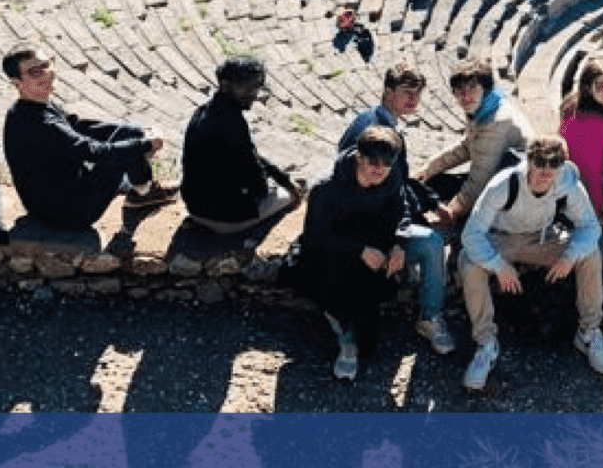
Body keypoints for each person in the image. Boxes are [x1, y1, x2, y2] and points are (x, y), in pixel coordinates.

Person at [457, 136, 603, 392]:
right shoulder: (504, 184)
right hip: (502, 240)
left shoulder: (567, 184)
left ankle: (589, 332)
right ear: (529, 162)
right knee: (470, 263)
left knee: (590, 253)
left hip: (542, 238)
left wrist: (569, 255)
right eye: (540, 168)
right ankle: (486, 343)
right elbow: (471, 234)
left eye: (552, 169)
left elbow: (589, 227)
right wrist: (498, 266)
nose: (545, 176)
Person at [337, 62, 451, 356]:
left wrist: (432, 201)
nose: (413, 100)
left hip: (378, 219)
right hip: (363, 232)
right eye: (406, 92)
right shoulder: (376, 132)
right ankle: (429, 316)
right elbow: (382, 191)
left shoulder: (373, 120)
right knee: (433, 243)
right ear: (388, 92)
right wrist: (398, 238)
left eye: (418, 93)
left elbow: (398, 183)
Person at [0, 47, 175, 229]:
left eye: (47, 64)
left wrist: (136, 133)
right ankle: (143, 195)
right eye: (35, 72)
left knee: (131, 130)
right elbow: (93, 152)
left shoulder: (32, 104)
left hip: (58, 199)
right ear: (17, 82)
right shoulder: (40, 123)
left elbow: (78, 126)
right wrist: (145, 145)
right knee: (126, 149)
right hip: (69, 213)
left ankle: (141, 191)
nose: (46, 73)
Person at [293, 126, 407, 381]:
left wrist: (399, 243)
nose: (379, 168)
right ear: (359, 157)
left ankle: (351, 330)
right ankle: (343, 333)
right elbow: (314, 238)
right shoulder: (326, 187)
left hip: (369, 252)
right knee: (337, 291)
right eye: (372, 161)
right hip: (331, 253)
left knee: (369, 346)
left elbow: (400, 214)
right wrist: (358, 250)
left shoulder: (392, 178)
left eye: (386, 163)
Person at [181, 56, 300, 234]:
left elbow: (247, 155)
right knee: (289, 196)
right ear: (226, 84)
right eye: (248, 87)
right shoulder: (232, 124)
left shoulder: (202, 112)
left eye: (257, 87)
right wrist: (284, 183)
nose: (254, 93)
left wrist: (276, 173)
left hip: (194, 208)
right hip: (224, 221)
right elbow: (258, 186)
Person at [421, 57, 535, 225]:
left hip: (513, 195)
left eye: (472, 87)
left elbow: (480, 180)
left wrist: (451, 211)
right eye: (459, 89)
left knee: (452, 207)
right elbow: (468, 146)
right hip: (496, 176)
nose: (465, 95)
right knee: (432, 181)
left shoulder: (496, 122)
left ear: (485, 88)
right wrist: (429, 168)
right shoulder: (483, 107)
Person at [558, 57, 603, 221]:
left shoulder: (575, 103)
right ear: (587, 89)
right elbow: (590, 171)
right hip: (584, 187)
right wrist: (598, 208)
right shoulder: (593, 123)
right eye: (601, 86)